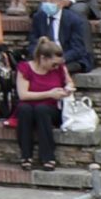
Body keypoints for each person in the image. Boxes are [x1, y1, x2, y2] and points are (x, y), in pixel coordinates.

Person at [13, 40, 73, 172]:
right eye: (53, 64)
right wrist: (49, 94)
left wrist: (67, 89)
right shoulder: (25, 68)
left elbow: (70, 83)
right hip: (30, 106)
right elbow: (23, 95)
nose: (56, 67)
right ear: (43, 58)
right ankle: (26, 156)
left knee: (42, 110)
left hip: (50, 108)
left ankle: (47, 157)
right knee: (24, 109)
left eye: (58, 64)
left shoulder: (60, 68)